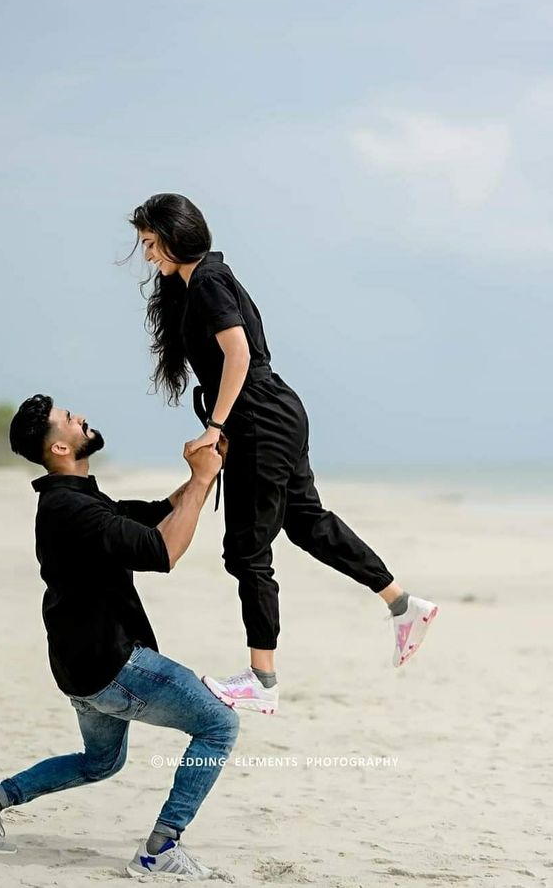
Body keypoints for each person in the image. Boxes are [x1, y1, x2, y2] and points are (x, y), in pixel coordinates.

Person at [126, 193, 439, 715]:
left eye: (151, 243)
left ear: (176, 237)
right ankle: (404, 605)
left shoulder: (205, 280)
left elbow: (238, 352)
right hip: (275, 413)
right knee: (306, 522)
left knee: (247, 551)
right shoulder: (196, 281)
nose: (147, 255)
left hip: (259, 420)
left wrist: (216, 426)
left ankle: (262, 679)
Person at [0, 394, 238, 879]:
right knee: (219, 725)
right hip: (114, 665)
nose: (79, 416)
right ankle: (160, 850)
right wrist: (205, 478)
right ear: (60, 447)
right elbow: (163, 550)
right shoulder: (69, 509)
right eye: (68, 418)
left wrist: (200, 473)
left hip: (79, 669)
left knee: (101, 762)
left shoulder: (74, 498)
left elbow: (152, 515)